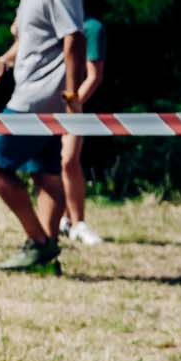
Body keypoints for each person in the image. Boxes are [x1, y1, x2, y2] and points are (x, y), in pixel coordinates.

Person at [0, 0, 87, 275]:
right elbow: (31, 42)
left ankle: (39, 242)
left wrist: (72, 95)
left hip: (36, 102)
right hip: (36, 97)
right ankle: (45, 255)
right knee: (46, 175)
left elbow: (74, 39)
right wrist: (3, 62)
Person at [61, 15, 107, 246]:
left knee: (69, 161)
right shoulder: (52, 24)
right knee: (51, 164)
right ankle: (63, 219)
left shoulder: (91, 28)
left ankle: (78, 223)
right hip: (44, 104)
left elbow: (94, 76)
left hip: (72, 105)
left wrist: (72, 105)